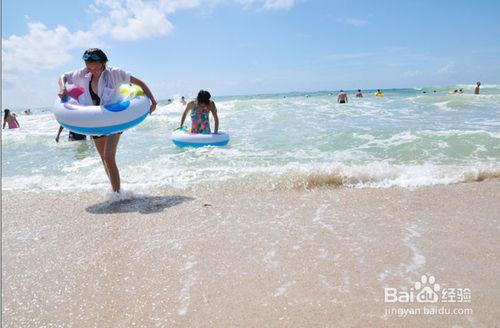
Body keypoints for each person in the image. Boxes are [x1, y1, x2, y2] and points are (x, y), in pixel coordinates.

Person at [57, 48, 157, 192]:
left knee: (109, 157)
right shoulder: (83, 73)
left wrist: (153, 102)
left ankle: (118, 194)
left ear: (103, 62)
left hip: (115, 119)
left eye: (96, 66)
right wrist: (62, 88)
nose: (92, 69)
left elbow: (140, 83)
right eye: (89, 66)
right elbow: (63, 77)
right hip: (94, 120)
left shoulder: (115, 73)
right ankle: (114, 189)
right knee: (103, 158)